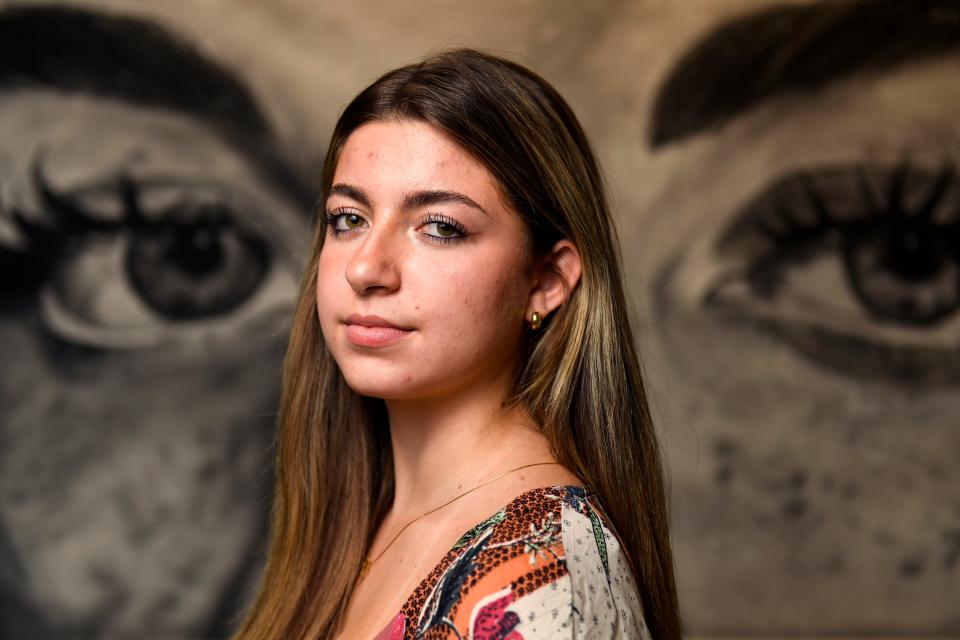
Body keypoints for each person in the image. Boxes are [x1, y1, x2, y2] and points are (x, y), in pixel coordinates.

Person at [233, 48, 680, 640]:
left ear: (545, 281)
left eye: (440, 227)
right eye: (348, 219)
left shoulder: (540, 575)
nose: (366, 268)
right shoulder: (358, 523)